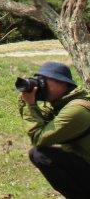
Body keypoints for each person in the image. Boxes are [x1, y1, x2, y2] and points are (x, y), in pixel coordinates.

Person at [21, 61, 90, 197]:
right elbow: (40, 120)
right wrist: (27, 98)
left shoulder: (76, 110)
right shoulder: (61, 102)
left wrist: (29, 105)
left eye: (45, 81)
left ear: (63, 83)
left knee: (40, 154)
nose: (41, 85)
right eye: (39, 80)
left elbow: (38, 137)